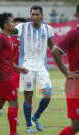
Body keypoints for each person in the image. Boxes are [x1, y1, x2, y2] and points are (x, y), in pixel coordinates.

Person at [15, 5, 55, 133]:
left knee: (48, 94)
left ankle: (36, 116)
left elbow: (52, 47)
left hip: (41, 67)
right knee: (28, 95)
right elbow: (8, 30)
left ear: (41, 15)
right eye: (33, 14)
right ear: (30, 15)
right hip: (26, 65)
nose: (35, 17)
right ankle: (28, 125)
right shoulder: (23, 27)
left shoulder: (48, 29)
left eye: (37, 14)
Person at [52, 4, 79, 135]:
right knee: (77, 124)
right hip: (75, 84)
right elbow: (55, 50)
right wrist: (67, 72)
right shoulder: (74, 33)